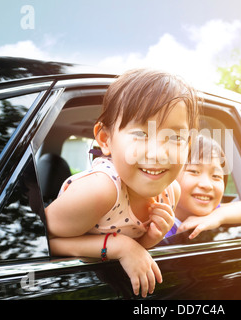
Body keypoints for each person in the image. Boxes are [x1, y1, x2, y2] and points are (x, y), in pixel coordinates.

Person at [45, 68, 201, 297]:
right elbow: (44, 241)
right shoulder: (100, 190)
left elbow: (137, 245)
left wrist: (150, 237)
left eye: (176, 137)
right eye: (141, 134)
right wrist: (119, 246)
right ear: (106, 139)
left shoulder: (170, 191)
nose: (159, 153)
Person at [167, 135, 241, 239]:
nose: (207, 185)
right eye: (194, 171)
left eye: (216, 176)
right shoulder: (157, 225)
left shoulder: (214, 212)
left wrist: (218, 216)